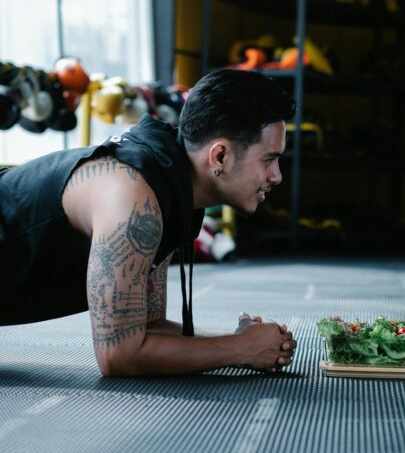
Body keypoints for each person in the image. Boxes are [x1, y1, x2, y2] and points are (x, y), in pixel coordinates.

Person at [0, 69, 298, 376]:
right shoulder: (132, 198)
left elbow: (147, 328)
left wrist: (241, 340)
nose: (277, 176)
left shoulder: (170, 188)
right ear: (219, 156)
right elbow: (119, 355)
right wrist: (242, 349)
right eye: (268, 159)